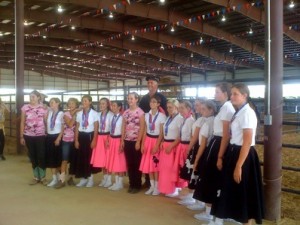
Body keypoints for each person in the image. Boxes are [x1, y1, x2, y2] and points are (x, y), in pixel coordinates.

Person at [211, 83, 264, 225]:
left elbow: (247, 142)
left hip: (243, 155)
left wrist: (239, 166)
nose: (232, 96)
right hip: (235, 152)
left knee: (244, 192)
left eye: (236, 94)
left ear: (244, 96)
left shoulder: (247, 113)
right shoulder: (239, 111)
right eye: (232, 93)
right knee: (237, 191)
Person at [193, 83, 235, 224]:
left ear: (225, 93)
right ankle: (210, 212)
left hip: (219, 143)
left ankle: (213, 214)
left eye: (217, 92)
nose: (215, 94)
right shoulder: (224, 108)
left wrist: (220, 155)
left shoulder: (227, 108)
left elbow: (226, 134)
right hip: (216, 142)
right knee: (210, 177)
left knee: (214, 178)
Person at [139, 75, 167, 188]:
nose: (150, 84)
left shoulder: (162, 98)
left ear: (156, 85)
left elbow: (166, 114)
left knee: (156, 161)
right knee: (147, 160)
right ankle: (149, 182)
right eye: (148, 83)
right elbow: (142, 114)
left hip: (158, 132)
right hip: (148, 131)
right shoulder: (144, 98)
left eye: (152, 83)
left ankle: (158, 183)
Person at [178, 98, 206, 207]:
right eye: (196, 105)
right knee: (192, 172)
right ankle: (192, 196)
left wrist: (189, 148)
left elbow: (194, 136)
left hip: (198, 146)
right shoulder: (198, 119)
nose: (196, 107)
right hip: (194, 146)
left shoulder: (195, 119)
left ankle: (198, 200)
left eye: (198, 105)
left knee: (196, 172)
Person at [191, 100, 216, 222]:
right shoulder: (210, 121)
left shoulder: (208, 123)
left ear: (211, 110)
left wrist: (197, 159)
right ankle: (206, 209)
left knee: (204, 179)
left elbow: (203, 143)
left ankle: (208, 212)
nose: (202, 111)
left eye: (204, 109)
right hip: (208, 151)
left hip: (205, 151)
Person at [20, 90, 48, 185]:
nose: (31, 98)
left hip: (40, 135)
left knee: (41, 155)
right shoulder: (25, 108)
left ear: (38, 98)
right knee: (33, 156)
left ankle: (43, 177)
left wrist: (47, 133)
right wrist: (21, 136)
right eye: (30, 96)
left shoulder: (43, 108)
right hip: (28, 135)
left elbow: (46, 121)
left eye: (33, 97)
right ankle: (36, 177)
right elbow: (22, 122)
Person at [158, 99, 183, 197]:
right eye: (167, 107)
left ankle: (174, 188)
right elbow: (166, 131)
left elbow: (180, 136)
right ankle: (166, 187)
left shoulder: (180, 118)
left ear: (176, 107)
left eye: (170, 107)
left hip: (174, 146)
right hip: (166, 145)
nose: (168, 109)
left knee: (173, 169)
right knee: (165, 169)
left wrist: (172, 146)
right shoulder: (168, 118)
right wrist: (163, 141)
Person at [121, 92, 145, 194]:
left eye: (131, 98)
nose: (129, 100)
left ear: (136, 99)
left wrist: (139, 141)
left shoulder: (140, 112)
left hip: (136, 141)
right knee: (130, 163)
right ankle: (131, 184)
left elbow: (142, 127)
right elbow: (123, 126)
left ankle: (137, 184)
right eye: (128, 98)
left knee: (136, 163)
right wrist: (122, 139)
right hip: (127, 141)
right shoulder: (125, 113)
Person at [74, 95, 99, 187]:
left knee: (89, 158)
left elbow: (96, 128)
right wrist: (76, 140)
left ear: (90, 102)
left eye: (85, 101)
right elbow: (77, 127)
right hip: (81, 136)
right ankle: (83, 178)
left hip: (90, 136)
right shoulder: (79, 114)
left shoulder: (94, 113)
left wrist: (94, 140)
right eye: (82, 101)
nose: (83, 103)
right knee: (81, 158)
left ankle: (90, 179)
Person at [55, 98, 80, 188]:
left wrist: (77, 113)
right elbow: (69, 124)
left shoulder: (79, 114)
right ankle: (62, 180)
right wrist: (75, 114)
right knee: (64, 160)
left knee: (73, 160)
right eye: (69, 104)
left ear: (76, 104)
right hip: (66, 140)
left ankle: (70, 178)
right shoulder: (65, 114)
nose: (71, 105)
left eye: (73, 103)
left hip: (75, 140)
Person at [91, 98, 114, 187]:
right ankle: (104, 178)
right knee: (102, 159)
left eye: (103, 104)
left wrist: (109, 139)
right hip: (99, 137)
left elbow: (112, 128)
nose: (101, 105)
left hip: (108, 138)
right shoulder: (97, 114)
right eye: (100, 104)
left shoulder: (111, 115)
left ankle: (109, 179)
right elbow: (96, 128)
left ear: (107, 105)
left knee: (108, 159)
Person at [172, 100, 194, 190]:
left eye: (182, 108)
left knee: (188, 168)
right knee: (183, 168)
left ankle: (191, 193)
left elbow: (192, 136)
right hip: (181, 146)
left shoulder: (191, 121)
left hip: (187, 146)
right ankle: (188, 191)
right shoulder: (184, 119)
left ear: (188, 109)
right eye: (179, 108)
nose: (180, 110)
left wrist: (189, 149)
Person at [106, 101, 126, 191]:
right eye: (112, 106)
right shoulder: (111, 117)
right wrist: (108, 139)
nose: (112, 107)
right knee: (114, 161)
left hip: (118, 140)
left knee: (120, 161)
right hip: (112, 139)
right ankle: (116, 181)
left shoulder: (122, 118)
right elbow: (110, 129)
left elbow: (123, 131)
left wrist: (122, 142)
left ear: (119, 107)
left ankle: (120, 182)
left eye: (114, 106)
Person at [45, 98, 64, 187]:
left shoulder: (61, 114)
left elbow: (63, 128)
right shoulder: (49, 113)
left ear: (58, 103)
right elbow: (46, 124)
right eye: (50, 103)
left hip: (57, 137)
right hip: (49, 137)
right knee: (51, 158)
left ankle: (61, 178)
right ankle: (54, 178)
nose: (51, 104)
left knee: (58, 159)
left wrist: (58, 138)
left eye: (52, 102)